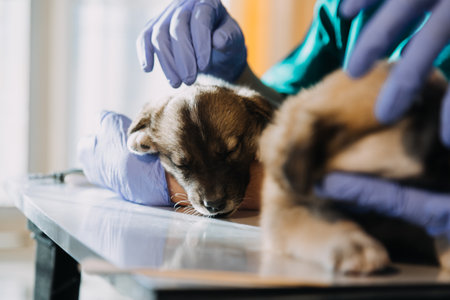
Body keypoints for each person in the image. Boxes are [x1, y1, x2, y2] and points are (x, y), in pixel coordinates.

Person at [78, 0, 450, 238]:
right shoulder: (350, 8)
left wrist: (171, 182)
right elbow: (280, 112)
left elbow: (390, 182)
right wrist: (238, 77)